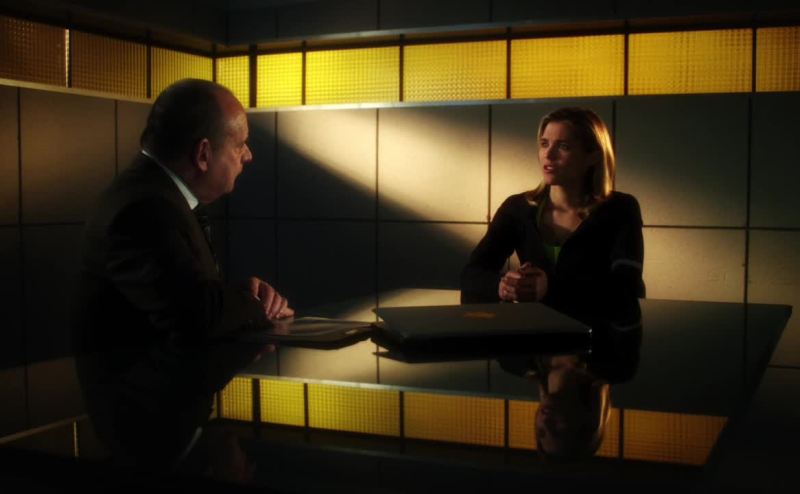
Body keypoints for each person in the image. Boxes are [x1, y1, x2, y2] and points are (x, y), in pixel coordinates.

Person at [71, 79, 291, 470]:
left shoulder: (154, 198)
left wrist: (237, 296)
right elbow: (195, 316)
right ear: (203, 154)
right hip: (147, 422)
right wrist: (251, 302)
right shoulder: (146, 209)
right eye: (240, 144)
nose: (249, 155)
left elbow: (187, 298)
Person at [460, 107, 644, 311]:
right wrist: (504, 286)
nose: (548, 154)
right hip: (536, 326)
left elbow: (626, 286)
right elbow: (472, 274)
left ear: (592, 156)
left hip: (599, 327)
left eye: (563, 146)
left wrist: (550, 287)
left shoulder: (620, 208)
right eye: (544, 144)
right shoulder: (518, 208)